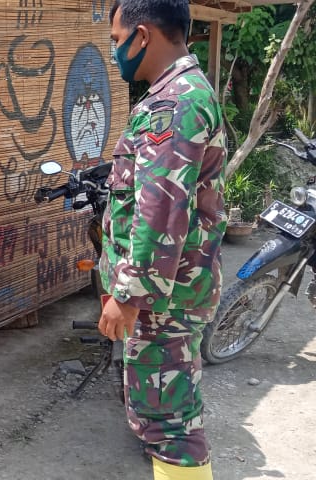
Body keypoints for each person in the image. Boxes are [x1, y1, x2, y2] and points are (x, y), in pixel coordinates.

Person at [101, 1, 227, 479]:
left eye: (117, 41)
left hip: (163, 297)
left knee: (169, 425)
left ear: (143, 34)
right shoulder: (183, 93)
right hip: (173, 289)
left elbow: (161, 209)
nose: (116, 52)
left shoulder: (174, 102)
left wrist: (130, 295)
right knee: (166, 415)